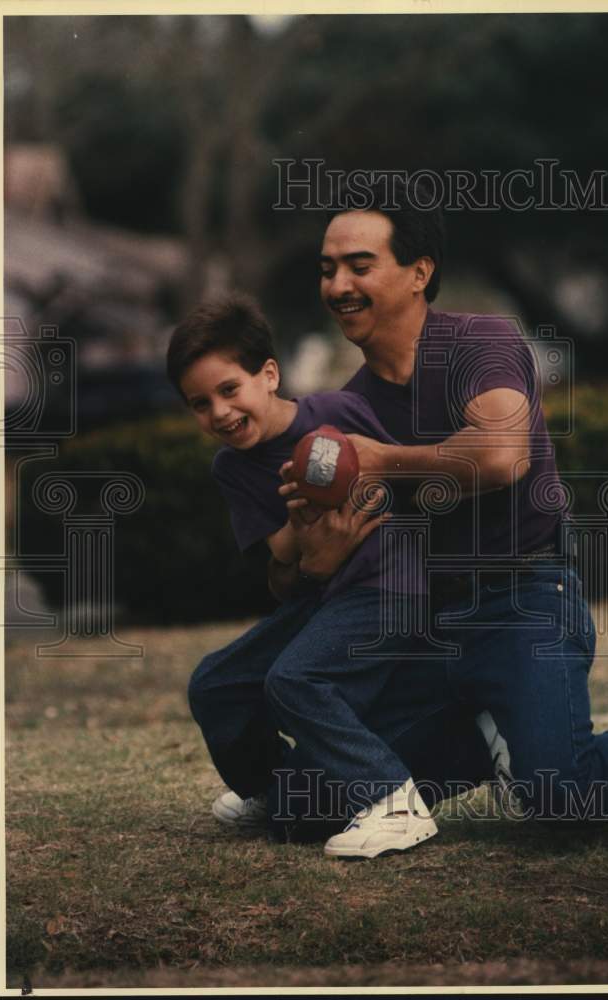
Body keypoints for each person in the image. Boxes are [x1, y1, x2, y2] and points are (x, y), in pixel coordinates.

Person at [282, 175, 608, 828]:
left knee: (559, 800)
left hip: (525, 599)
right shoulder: (349, 405)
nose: (338, 285)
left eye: (358, 265)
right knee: (306, 808)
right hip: (428, 626)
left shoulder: (478, 343)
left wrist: (380, 459)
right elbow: (315, 564)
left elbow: (499, 456)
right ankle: (493, 727)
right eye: (327, 269)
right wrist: (315, 553)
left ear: (417, 272)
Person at [166, 293, 494, 858]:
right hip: (326, 599)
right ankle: (271, 790)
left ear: (268, 375)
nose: (218, 413)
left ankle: (392, 800)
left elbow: (404, 476)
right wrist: (302, 521)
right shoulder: (233, 468)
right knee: (215, 685)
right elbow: (286, 555)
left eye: (228, 390)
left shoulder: (336, 414)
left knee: (295, 681)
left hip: (387, 588)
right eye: (199, 404)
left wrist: (368, 489)